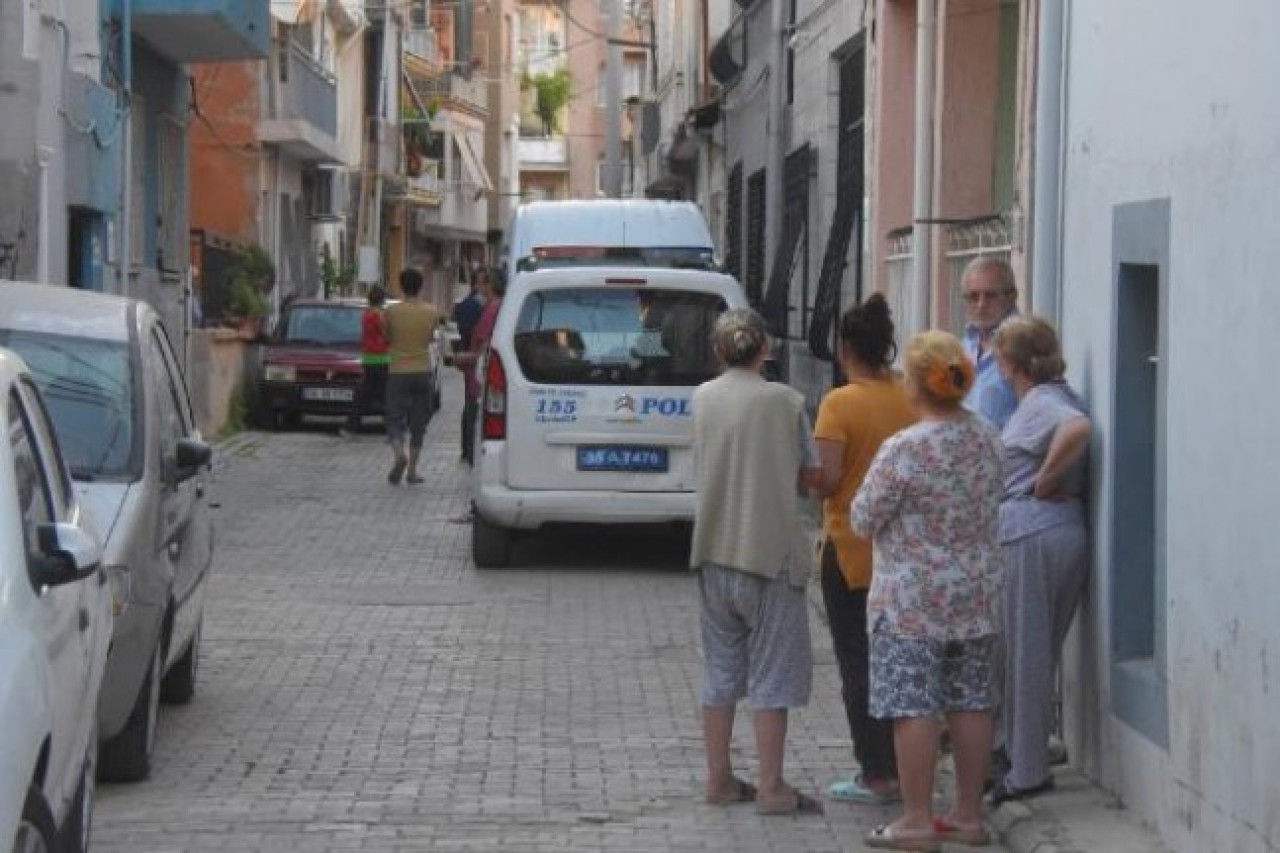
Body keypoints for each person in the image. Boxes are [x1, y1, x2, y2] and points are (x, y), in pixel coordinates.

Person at [852, 330, 1003, 851]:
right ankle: (967, 815)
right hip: (976, 594)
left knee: (913, 705)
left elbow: (864, 517)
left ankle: (916, 819)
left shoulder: (905, 449)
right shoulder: (987, 436)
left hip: (911, 601)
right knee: (972, 702)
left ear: (916, 386)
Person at [688, 308, 825, 817]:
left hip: (714, 550)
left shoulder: (702, 399)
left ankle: (719, 779)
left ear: (720, 351)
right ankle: (771, 787)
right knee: (772, 676)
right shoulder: (786, 402)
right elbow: (812, 474)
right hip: (769, 554)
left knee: (720, 671)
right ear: (765, 348)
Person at [811, 294, 917, 805]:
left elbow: (828, 477)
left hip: (851, 551)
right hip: (905, 553)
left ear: (845, 349)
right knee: (900, 661)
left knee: (858, 663)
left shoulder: (840, 403)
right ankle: (906, 763)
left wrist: (803, 479)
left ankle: (875, 772)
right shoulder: (910, 397)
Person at [987, 316, 1091, 806]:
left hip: (1034, 533)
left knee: (1025, 656)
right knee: (1028, 652)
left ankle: (1026, 770)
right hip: (1049, 532)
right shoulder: (1048, 396)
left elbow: (1077, 430)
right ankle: (1014, 750)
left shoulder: (1046, 401)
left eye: (1000, 357)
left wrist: (1045, 479)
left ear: (1013, 362)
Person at [384, 266, 441, 485]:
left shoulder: (391, 312)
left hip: (398, 370)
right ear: (420, 286)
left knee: (394, 416)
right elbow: (429, 338)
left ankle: (399, 453)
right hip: (422, 369)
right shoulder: (431, 311)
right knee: (419, 419)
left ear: (401, 286)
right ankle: (413, 471)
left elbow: (387, 336)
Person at [960, 257, 1019, 430]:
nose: (981, 305)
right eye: (973, 296)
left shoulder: (1026, 345)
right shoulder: (965, 345)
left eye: (990, 295)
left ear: (1012, 296)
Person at [453, 270, 505, 467]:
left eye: (484, 284)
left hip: (481, 372)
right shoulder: (497, 307)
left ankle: (473, 457)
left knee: (475, 415)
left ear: (489, 286)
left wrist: (465, 357)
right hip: (480, 369)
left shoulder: (493, 308)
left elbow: (483, 345)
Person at [344, 285, 389, 435]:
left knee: (364, 394)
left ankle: (351, 426)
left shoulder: (366, 314)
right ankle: (391, 428)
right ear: (382, 299)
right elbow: (386, 335)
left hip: (368, 358)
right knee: (386, 394)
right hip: (382, 358)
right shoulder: (380, 315)